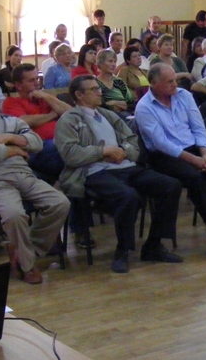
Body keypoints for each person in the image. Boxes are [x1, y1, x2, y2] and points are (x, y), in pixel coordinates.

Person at [55, 74, 183, 273]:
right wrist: (103, 152)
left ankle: (154, 245)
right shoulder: (68, 120)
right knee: (128, 196)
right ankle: (123, 250)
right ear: (79, 95)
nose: (100, 93)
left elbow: (132, 140)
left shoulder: (108, 115)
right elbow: (70, 155)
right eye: (94, 90)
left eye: (99, 88)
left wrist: (123, 151)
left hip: (125, 166)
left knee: (170, 185)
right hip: (92, 172)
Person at [0, 80, 71, 284]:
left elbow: (36, 143)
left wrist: (8, 137)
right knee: (15, 214)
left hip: (23, 174)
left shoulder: (11, 121)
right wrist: (17, 149)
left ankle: (24, 252)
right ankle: (28, 266)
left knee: (60, 202)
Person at [136, 64, 206, 254]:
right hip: (164, 156)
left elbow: (198, 127)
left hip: (194, 147)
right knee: (195, 177)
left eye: (175, 79)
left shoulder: (184, 96)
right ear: (154, 84)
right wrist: (194, 160)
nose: (175, 84)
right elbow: (161, 143)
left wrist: (204, 154)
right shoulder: (144, 108)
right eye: (169, 82)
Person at [2, 63, 70, 185]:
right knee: (59, 147)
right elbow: (24, 121)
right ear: (18, 85)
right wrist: (52, 114)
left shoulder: (44, 98)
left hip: (61, 140)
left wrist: (46, 96)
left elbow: (71, 114)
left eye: (37, 79)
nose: (37, 83)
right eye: (31, 80)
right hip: (38, 147)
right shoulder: (11, 102)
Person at [96, 50, 135, 118]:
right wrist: (121, 104)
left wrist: (114, 102)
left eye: (115, 61)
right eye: (110, 61)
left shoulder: (119, 81)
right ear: (101, 63)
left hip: (126, 115)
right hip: (105, 117)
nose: (114, 64)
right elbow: (100, 105)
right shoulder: (95, 83)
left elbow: (130, 103)